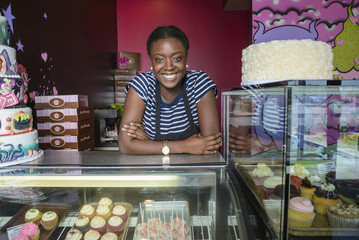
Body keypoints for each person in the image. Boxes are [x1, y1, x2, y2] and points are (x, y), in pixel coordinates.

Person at [118, 25, 221, 155]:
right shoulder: (142, 85)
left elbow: (211, 146)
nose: (168, 67)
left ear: (186, 58)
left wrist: (148, 143)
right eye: (159, 59)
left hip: (194, 171)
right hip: (151, 171)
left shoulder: (199, 83)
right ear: (151, 61)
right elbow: (125, 145)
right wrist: (186, 146)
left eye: (176, 58)